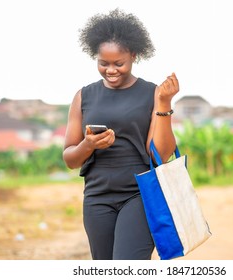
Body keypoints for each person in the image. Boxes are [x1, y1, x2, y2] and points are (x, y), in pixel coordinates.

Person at [63, 8, 179, 260]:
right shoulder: (84, 96)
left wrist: (164, 103)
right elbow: (71, 160)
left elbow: (160, 153)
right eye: (103, 63)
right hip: (96, 198)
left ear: (134, 56)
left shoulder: (152, 93)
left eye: (119, 63)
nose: (111, 70)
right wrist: (88, 144)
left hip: (139, 194)